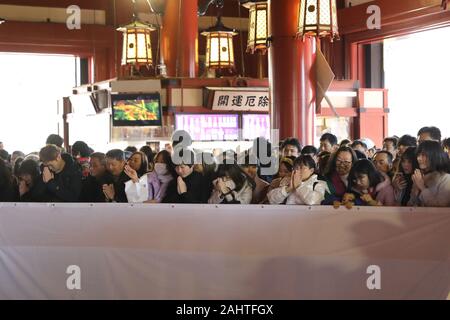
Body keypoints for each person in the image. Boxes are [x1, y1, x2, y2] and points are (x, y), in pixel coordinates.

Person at [408, 140, 450, 207]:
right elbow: (410, 207)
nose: (419, 158)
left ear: (434, 155)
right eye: (418, 155)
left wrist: (422, 187)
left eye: (423, 155)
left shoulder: (446, 179)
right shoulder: (420, 178)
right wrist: (416, 190)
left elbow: (441, 207)